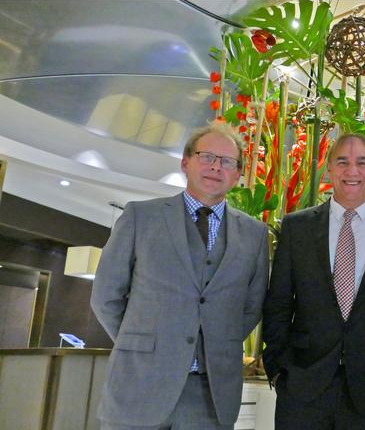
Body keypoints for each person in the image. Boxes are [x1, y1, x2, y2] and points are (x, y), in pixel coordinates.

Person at [91, 123, 269, 429]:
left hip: (210, 397)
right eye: (207, 156)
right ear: (185, 162)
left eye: (227, 161)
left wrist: (217, 342)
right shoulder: (140, 217)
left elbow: (252, 307)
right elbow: (106, 296)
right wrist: (142, 342)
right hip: (139, 386)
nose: (216, 167)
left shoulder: (255, 234)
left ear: (238, 174)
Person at [262, 133, 365, 429]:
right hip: (303, 387)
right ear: (329, 168)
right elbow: (278, 302)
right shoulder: (297, 227)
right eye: (342, 162)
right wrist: (278, 368)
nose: (352, 171)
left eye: (362, 162)